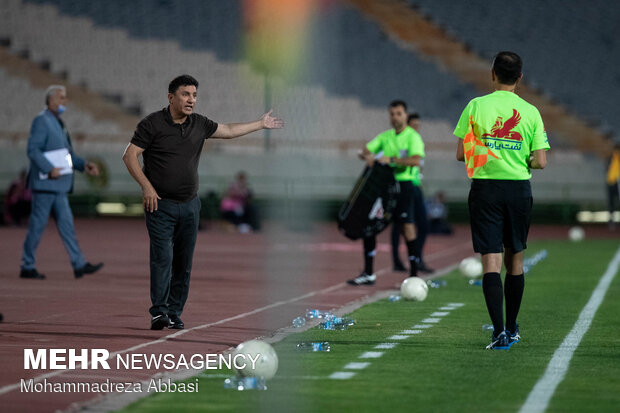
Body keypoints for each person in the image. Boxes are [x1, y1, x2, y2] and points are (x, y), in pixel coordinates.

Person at [122, 75, 283, 330]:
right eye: (186, 94)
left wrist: (260, 124)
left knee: (184, 263)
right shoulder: (152, 124)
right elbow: (130, 156)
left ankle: (174, 312)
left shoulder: (199, 124)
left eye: (194, 95)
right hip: (160, 206)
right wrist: (147, 188)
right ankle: (158, 312)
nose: (191, 100)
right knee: (162, 258)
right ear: (171, 97)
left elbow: (229, 130)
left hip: (190, 206)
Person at [454, 51, 549, 350]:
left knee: (491, 262)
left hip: (485, 190)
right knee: (515, 260)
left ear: (492, 74)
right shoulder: (531, 112)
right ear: (520, 78)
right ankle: (512, 327)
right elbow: (541, 162)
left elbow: (460, 154)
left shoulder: (475, 106)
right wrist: (521, 158)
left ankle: (498, 332)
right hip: (518, 191)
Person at [19, 85, 104, 280]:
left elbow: (68, 156)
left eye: (65, 98)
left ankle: (79, 264)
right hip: (46, 185)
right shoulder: (42, 121)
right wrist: (49, 169)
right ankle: (27, 264)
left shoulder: (59, 122)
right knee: (37, 226)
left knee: (67, 226)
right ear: (50, 101)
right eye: (62, 98)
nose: (65, 101)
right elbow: (33, 150)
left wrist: (84, 165)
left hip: (59, 187)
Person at [348, 100, 424, 286]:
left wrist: (392, 159)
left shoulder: (412, 137)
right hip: (384, 187)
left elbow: (415, 160)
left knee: (407, 227)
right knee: (369, 224)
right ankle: (368, 273)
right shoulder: (385, 136)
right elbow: (363, 151)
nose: (395, 117)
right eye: (392, 113)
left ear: (405, 115)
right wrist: (370, 158)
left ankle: (414, 274)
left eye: (398, 113)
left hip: (405, 186)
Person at [391, 112, 433, 273]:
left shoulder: (417, 142)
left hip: (415, 187)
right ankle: (397, 261)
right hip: (403, 186)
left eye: (418, 126)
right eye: (413, 125)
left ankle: (418, 258)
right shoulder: (403, 142)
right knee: (399, 225)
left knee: (422, 225)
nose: (416, 128)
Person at [606, 142, 620, 230]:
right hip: (611, 183)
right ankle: (612, 221)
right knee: (611, 203)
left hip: (618, 182)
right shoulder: (611, 158)